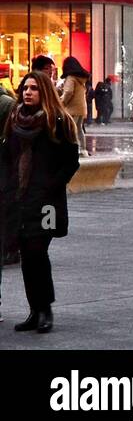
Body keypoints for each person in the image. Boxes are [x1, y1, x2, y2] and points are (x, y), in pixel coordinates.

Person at [0, 72, 80, 332]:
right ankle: (34, 311)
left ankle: (45, 310)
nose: (28, 92)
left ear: (43, 91)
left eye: (34, 88)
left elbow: (71, 162)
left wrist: (49, 186)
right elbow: (7, 157)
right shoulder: (14, 120)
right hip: (19, 199)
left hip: (45, 202)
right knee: (26, 254)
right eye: (25, 88)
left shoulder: (57, 121)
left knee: (37, 251)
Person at [57, 57, 91, 153]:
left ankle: (74, 150)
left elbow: (68, 92)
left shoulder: (71, 78)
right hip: (81, 108)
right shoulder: (81, 79)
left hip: (72, 108)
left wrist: (62, 102)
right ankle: (82, 149)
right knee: (79, 128)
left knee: (71, 129)